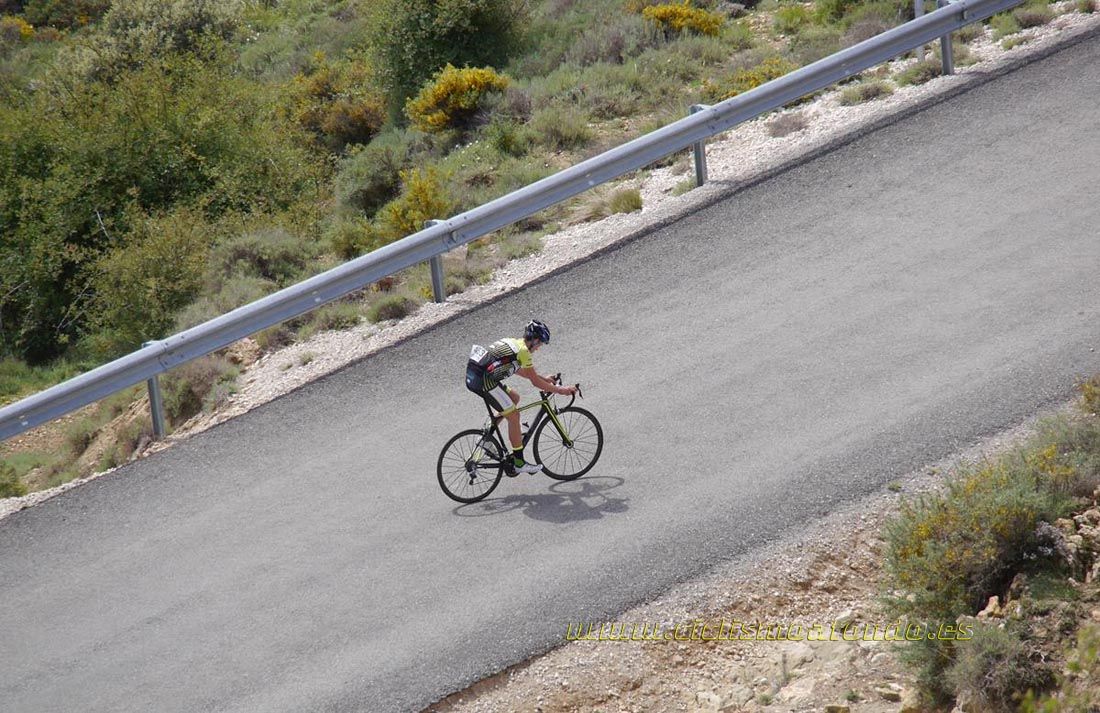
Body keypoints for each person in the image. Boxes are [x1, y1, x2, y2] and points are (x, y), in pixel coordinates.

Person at [466, 319, 577, 475]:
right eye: (540, 343)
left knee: (514, 398)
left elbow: (519, 370)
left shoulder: (514, 343)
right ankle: (519, 462)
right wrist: (561, 390)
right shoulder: (524, 352)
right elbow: (535, 382)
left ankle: (486, 437)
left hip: (477, 376)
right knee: (514, 416)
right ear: (534, 340)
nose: (539, 348)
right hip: (484, 381)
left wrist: (545, 380)